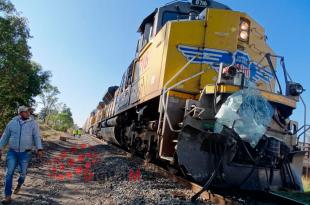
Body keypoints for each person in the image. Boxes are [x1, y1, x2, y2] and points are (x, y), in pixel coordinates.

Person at [0, 106, 44, 204]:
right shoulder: (12, 123)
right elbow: (5, 136)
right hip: (12, 152)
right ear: (20, 113)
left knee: (23, 173)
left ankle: (19, 183)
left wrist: (39, 148)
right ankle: (7, 196)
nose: (28, 113)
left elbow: (36, 136)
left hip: (26, 153)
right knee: (9, 173)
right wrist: (0, 147)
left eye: (29, 112)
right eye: (26, 112)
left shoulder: (33, 124)